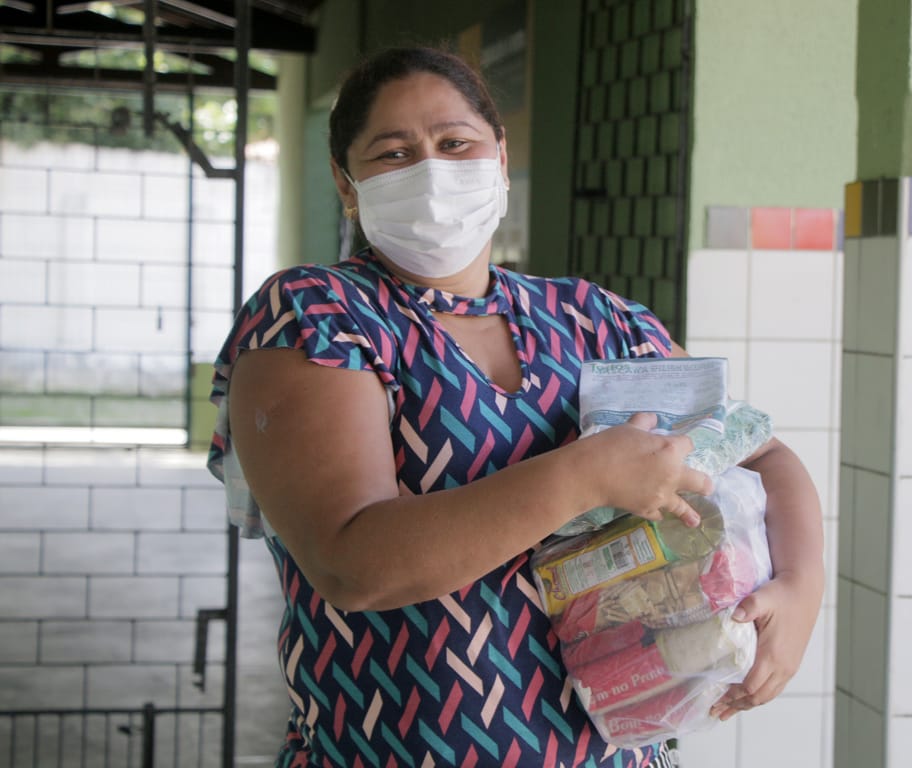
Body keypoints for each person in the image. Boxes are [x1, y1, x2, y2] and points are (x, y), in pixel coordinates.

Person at [207, 45, 824, 768]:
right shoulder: (319, 315)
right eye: (393, 154)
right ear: (348, 186)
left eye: (453, 143)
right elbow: (351, 564)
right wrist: (585, 478)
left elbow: (759, 451)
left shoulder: (597, 320)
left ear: (498, 158)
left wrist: (802, 587)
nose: (431, 172)